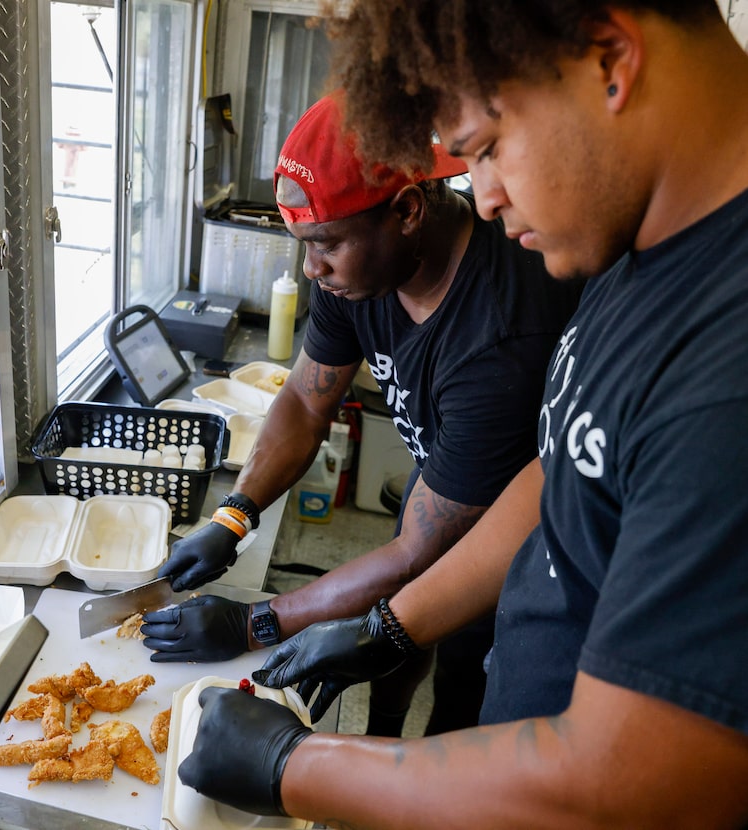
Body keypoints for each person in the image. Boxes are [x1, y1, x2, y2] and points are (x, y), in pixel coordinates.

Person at [177, 3, 748, 828]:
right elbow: (553, 475)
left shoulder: (723, 354)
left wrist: (295, 765)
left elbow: (628, 782)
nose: (481, 197)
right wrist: (393, 629)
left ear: (611, 61)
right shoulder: (638, 255)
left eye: (486, 149)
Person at [140, 92, 581, 736]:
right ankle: (384, 727)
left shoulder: (501, 335)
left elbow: (415, 556)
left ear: (406, 211)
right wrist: (234, 516)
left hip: (519, 546)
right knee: (392, 643)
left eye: (325, 246)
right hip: (444, 482)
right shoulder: (356, 270)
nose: (313, 270)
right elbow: (304, 399)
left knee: (466, 693)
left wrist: (256, 623)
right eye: (301, 246)